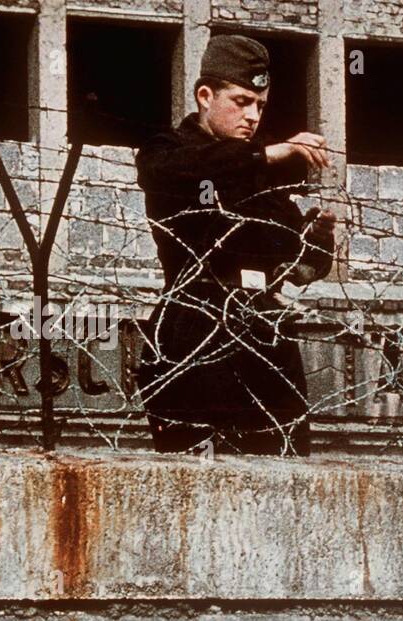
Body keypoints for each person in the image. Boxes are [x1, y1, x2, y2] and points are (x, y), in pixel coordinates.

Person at [134, 34, 337, 456]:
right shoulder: (169, 152)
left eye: (260, 105)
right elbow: (180, 173)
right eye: (241, 101)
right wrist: (268, 155)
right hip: (194, 335)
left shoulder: (259, 173)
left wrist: (317, 240)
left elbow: (299, 266)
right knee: (193, 486)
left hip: (264, 340)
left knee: (284, 479)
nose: (252, 116)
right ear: (205, 96)